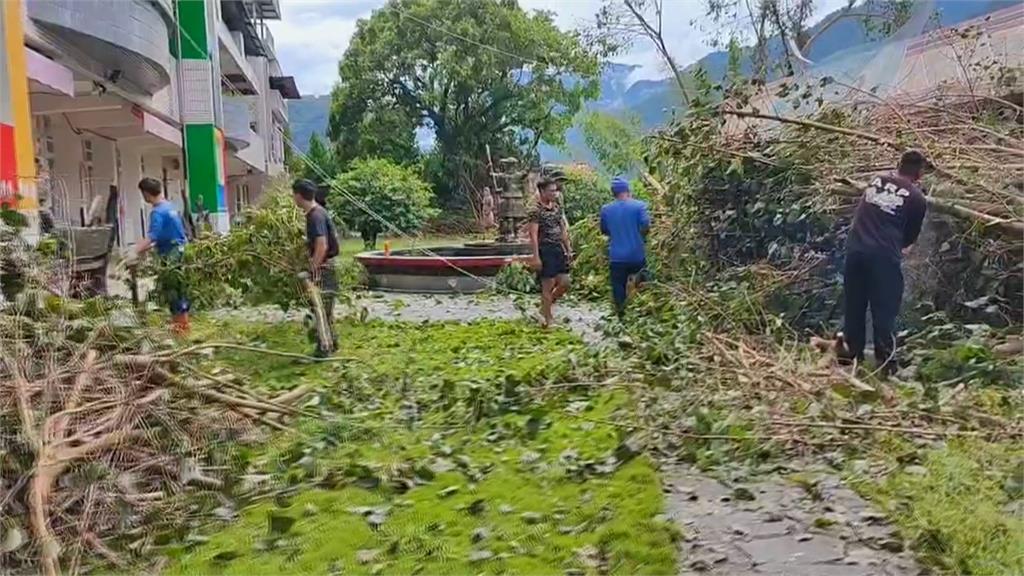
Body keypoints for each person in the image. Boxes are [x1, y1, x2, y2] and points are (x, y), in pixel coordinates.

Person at [838, 150, 928, 374]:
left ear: (899, 165)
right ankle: (886, 364)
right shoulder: (917, 198)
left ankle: (850, 359)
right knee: (885, 310)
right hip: (883, 258)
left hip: (855, 251)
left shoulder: (876, 180)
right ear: (919, 173)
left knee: (854, 306)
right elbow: (909, 238)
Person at [134, 177, 190, 335]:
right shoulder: (171, 208)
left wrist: (134, 251)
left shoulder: (157, 213)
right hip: (180, 252)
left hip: (170, 257)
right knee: (180, 291)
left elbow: (152, 236)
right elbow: (167, 235)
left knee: (173, 293)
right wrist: (147, 248)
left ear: (146, 193)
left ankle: (181, 331)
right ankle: (184, 327)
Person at [292, 179, 340, 356]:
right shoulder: (318, 212)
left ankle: (324, 348)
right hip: (326, 266)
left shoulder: (315, 215)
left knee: (320, 309)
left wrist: (312, 268)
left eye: (293, 194)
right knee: (325, 310)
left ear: (298, 195)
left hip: (324, 268)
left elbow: (322, 245)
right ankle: (332, 342)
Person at [600, 177, 651, 316]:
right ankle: (642, 311)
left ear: (613, 193)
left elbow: (604, 230)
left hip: (616, 257)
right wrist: (640, 236)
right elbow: (646, 225)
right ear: (628, 190)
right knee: (644, 283)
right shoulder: (640, 206)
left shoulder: (606, 209)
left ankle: (622, 316)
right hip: (637, 254)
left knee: (618, 287)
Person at [527, 177, 572, 327]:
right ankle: (548, 318)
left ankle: (542, 309)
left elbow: (562, 229)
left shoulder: (557, 208)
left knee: (565, 282)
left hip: (558, 249)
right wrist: (536, 257)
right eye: (551, 191)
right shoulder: (536, 210)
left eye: (555, 190)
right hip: (545, 249)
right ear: (542, 191)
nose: (555, 193)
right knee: (548, 284)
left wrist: (568, 249)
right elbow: (533, 234)